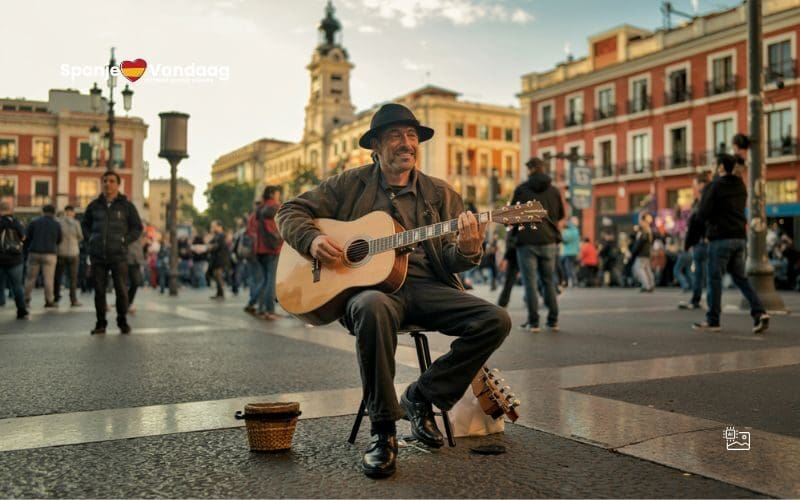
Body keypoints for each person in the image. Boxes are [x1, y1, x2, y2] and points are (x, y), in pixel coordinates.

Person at [276, 103, 511, 479]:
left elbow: (450, 259)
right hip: (373, 293)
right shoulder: (350, 185)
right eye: (396, 136)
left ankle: (422, 397)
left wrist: (468, 249)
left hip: (427, 288)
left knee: (495, 319)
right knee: (372, 306)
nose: (406, 143)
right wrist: (313, 239)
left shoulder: (441, 195)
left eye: (412, 136)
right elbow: (289, 211)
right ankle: (383, 432)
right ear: (376, 147)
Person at [693, 153, 769, 333]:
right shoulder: (740, 185)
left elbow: (702, 213)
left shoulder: (714, 186)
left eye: (715, 164)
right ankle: (759, 312)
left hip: (720, 239)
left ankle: (713, 320)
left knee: (714, 278)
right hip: (739, 238)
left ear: (720, 167)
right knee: (741, 278)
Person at [82, 170, 143, 334]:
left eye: (111, 181)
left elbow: (137, 227)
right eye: (105, 181)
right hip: (98, 255)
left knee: (121, 290)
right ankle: (100, 323)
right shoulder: (94, 205)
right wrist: (90, 239)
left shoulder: (126, 206)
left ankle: (122, 321)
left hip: (118, 255)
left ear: (118, 184)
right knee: (99, 291)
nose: (107, 184)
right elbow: (85, 225)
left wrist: (125, 240)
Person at [511, 157, 565, 333]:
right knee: (549, 281)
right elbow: (561, 214)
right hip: (549, 240)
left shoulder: (521, 190)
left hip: (527, 241)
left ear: (531, 169)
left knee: (530, 283)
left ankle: (533, 322)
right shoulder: (554, 191)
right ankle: (553, 320)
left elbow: (512, 215)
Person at [246, 186, 283, 319]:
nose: (279, 195)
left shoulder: (259, 209)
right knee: (271, 281)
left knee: (265, 280)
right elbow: (281, 227)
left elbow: (250, 229)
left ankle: (257, 306)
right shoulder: (275, 207)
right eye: (278, 193)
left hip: (259, 249)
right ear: (273, 194)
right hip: (272, 248)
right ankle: (269, 311)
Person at [679, 171, 712, 310]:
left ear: (702, 184)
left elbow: (694, 224)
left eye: (696, 185)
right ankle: (709, 301)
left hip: (701, 242)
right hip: (708, 241)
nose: (696, 188)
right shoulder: (708, 198)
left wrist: (687, 244)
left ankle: (696, 300)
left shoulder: (703, 201)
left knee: (699, 273)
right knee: (708, 273)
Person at [23, 204, 62, 308]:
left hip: (34, 252)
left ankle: (26, 300)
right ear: (54, 212)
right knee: (49, 279)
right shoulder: (56, 224)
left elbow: (27, 237)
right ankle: (49, 300)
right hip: (50, 253)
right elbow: (59, 239)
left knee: (30, 278)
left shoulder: (34, 222)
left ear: (42, 211)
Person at [0, 201, 29, 319]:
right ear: (10, 210)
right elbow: (24, 237)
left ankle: (1, 302)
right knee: (17, 285)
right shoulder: (16, 222)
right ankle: (21, 310)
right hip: (15, 259)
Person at [54, 205, 83, 307]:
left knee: (58, 276)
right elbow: (80, 236)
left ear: (65, 212)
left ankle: (56, 297)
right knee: (73, 278)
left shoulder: (59, 222)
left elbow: (56, 237)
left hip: (61, 252)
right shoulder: (76, 223)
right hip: (74, 253)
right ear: (73, 213)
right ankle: (73, 299)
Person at [631, 212, 655, 292]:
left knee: (638, 268)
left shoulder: (644, 231)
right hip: (646, 253)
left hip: (642, 253)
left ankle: (646, 286)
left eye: (640, 220)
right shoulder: (648, 231)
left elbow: (639, 243)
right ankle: (650, 285)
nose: (639, 222)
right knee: (647, 269)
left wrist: (634, 250)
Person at [207, 220, 230, 300]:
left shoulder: (222, 235)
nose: (212, 228)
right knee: (216, 276)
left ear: (219, 226)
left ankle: (221, 293)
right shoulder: (216, 235)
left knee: (218, 275)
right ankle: (219, 293)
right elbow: (210, 243)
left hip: (221, 259)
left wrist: (211, 247)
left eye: (213, 226)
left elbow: (217, 246)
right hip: (216, 259)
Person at [126, 235, 145, 313]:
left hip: (135, 262)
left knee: (136, 282)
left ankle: (128, 302)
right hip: (124, 259)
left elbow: (138, 248)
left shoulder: (137, 233)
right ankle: (125, 303)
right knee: (122, 283)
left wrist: (140, 261)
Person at [560, 216, 580, 287]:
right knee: (570, 268)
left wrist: (562, 233)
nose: (578, 222)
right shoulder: (576, 231)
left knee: (569, 268)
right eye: (576, 221)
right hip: (573, 252)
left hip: (569, 253)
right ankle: (572, 281)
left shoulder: (570, 230)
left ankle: (572, 282)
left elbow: (564, 239)